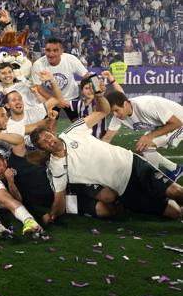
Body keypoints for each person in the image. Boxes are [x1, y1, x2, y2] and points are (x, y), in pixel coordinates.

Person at [30, 91, 183, 225]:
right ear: (42, 149)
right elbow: (59, 196)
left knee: (175, 191)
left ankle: (162, 186)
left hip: (131, 165)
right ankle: (157, 194)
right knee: (174, 212)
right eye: (43, 142)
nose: (48, 141)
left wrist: (99, 96)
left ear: (53, 133)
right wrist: (53, 214)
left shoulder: (72, 132)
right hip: (124, 190)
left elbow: (103, 111)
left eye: (48, 136)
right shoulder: (57, 168)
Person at [104, 91, 183, 181]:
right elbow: (107, 138)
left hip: (180, 121)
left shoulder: (147, 106)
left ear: (125, 104)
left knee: (146, 146)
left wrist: (149, 136)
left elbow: (176, 123)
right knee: (142, 148)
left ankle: (155, 181)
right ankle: (175, 169)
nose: (115, 115)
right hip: (163, 123)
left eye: (116, 110)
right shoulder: (118, 116)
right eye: (112, 112)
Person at [30, 38, 89, 120]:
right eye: (48, 50)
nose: (51, 54)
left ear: (61, 51)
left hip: (71, 96)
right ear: (44, 51)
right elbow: (38, 87)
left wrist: (96, 91)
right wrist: (56, 101)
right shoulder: (38, 65)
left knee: (78, 125)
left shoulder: (71, 60)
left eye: (55, 50)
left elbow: (86, 76)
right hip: (51, 98)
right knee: (50, 126)